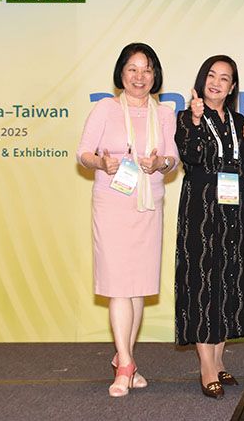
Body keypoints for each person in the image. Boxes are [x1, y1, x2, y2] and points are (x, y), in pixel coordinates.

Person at [77, 42, 179, 397]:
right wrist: (101, 163)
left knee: (137, 286)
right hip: (112, 203)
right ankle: (124, 365)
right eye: (132, 69)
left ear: (155, 75)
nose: (140, 76)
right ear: (121, 73)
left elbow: (173, 160)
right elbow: (83, 153)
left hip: (148, 204)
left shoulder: (164, 113)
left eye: (147, 69)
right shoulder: (105, 108)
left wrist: (160, 163)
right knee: (119, 285)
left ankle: (126, 358)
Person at [174, 55, 244, 399]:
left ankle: (220, 359)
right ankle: (206, 367)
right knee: (202, 280)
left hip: (235, 210)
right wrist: (196, 121)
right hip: (201, 208)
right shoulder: (187, 117)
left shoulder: (239, 120)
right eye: (212, 75)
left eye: (225, 78)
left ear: (232, 86)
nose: (217, 83)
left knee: (228, 279)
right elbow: (191, 155)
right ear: (202, 79)